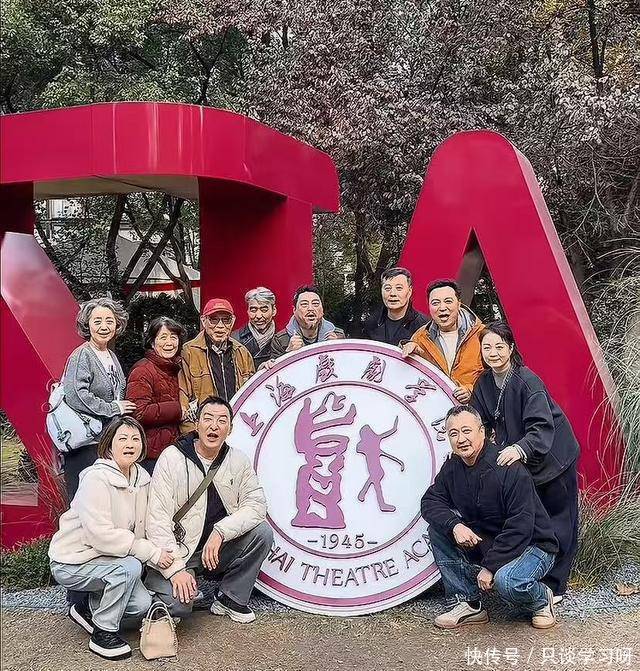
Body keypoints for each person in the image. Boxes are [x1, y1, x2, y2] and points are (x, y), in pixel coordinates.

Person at [421, 405, 559, 630]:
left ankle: (541, 600)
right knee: (439, 528)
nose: (461, 439)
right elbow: (430, 501)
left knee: (508, 581)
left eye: (466, 431)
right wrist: (454, 525)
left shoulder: (507, 467)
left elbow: (521, 526)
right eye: (453, 433)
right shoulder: (453, 467)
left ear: (482, 432)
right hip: (492, 540)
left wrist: (491, 567)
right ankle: (467, 603)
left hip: (533, 544)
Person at [470, 320, 580, 601]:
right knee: (536, 521)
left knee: (561, 521)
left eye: (499, 346)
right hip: (524, 463)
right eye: (487, 347)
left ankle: (555, 586)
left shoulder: (527, 381)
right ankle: (530, 572)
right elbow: (477, 419)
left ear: (511, 348)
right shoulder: (483, 382)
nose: (493, 353)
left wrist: (519, 449)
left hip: (554, 458)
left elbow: (541, 427)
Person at [48, 417, 174, 661]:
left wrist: (167, 556)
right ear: (109, 445)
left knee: (140, 604)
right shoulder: (96, 479)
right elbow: (100, 535)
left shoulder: (142, 479)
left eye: (135, 439)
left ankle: (86, 608)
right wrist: (150, 552)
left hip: (108, 560)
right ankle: (103, 632)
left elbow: (146, 527)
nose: (130, 444)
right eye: (123, 439)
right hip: (72, 561)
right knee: (130, 567)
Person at [145, 395, 273, 624]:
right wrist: (176, 570)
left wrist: (221, 531)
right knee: (180, 605)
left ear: (230, 429)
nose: (214, 426)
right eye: (208, 419)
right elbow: (157, 519)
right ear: (197, 424)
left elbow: (256, 505)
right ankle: (152, 592)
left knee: (262, 533)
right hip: (179, 550)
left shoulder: (237, 460)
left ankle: (230, 597)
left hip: (215, 550)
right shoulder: (172, 458)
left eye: (222, 421)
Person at [62, 297, 135, 501]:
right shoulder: (82, 355)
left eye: (109, 321)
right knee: (85, 502)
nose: (104, 326)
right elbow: (77, 395)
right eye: (97, 321)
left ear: (117, 324)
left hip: (104, 441)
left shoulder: (110, 354)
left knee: (104, 501)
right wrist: (114, 408)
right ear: (87, 325)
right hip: (86, 444)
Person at [178, 298, 254, 433]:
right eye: (213, 319)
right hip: (204, 431)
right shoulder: (189, 352)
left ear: (233, 322)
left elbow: (252, 395)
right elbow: (183, 399)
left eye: (226, 320)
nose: (220, 326)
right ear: (203, 321)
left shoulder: (242, 353)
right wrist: (194, 434)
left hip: (237, 428)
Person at [402, 279, 483, 403]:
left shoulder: (481, 334)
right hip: (436, 407)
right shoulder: (420, 338)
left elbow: (494, 374)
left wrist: (471, 390)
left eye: (448, 301)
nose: (442, 308)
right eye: (435, 303)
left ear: (459, 303)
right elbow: (407, 375)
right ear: (429, 307)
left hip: (475, 408)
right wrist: (409, 349)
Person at [126, 317, 186, 474]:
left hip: (173, 451)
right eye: (163, 337)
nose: (169, 343)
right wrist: (178, 410)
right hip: (151, 455)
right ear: (152, 342)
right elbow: (138, 412)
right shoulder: (142, 370)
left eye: (173, 337)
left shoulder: (176, 368)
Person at [270, 285, 345, 359]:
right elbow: (275, 366)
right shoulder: (280, 340)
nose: (310, 308)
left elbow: (346, 363)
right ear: (294, 310)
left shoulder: (338, 335)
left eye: (315, 304)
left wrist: (336, 348)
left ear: (322, 310)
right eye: (304, 304)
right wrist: (289, 354)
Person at [363, 267, 427, 346]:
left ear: (409, 291)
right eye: (387, 288)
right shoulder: (372, 323)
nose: (392, 293)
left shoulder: (423, 325)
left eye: (399, 288)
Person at [232, 287, 278, 369]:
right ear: (248, 311)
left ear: (274, 310)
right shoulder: (234, 339)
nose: (258, 316)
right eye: (253, 310)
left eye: (264, 310)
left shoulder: (282, 338)